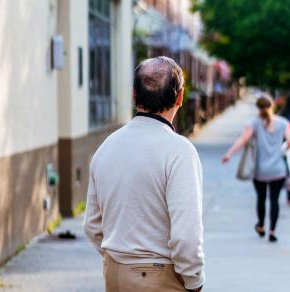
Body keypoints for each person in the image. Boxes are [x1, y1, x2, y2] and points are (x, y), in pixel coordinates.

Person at [83, 57, 204, 292]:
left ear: (134, 96)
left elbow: (91, 226)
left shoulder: (107, 147)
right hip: (160, 277)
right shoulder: (179, 151)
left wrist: (120, 257)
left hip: (115, 273)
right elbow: (186, 237)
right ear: (179, 97)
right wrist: (194, 280)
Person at [222, 95, 290, 242]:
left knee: (261, 199)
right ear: (272, 106)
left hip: (260, 170)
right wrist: (282, 150)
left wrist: (229, 154)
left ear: (258, 108)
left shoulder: (254, 123)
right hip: (278, 170)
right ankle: (273, 231)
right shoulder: (283, 123)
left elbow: (243, 140)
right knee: (274, 200)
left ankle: (261, 226)